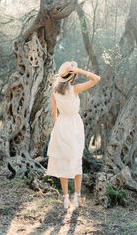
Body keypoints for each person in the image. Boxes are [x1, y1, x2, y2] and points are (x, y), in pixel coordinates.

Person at [45, 61, 100, 209]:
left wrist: (58, 127)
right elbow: (96, 79)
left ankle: (65, 199)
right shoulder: (75, 89)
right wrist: (78, 70)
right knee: (76, 161)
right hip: (75, 125)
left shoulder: (54, 91)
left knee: (63, 161)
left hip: (61, 125)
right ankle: (76, 198)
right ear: (72, 77)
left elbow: (53, 113)